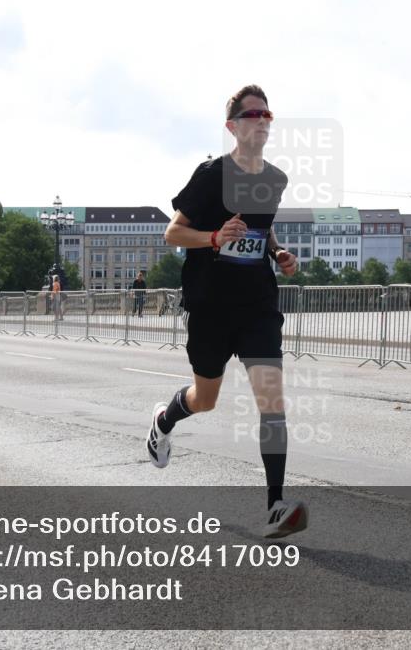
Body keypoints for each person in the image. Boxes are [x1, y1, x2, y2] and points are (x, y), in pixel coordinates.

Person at [145, 84, 305, 539]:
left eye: (267, 114)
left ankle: (275, 506)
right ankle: (164, 421)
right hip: (211, 305)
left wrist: (279, 255)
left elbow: (263, 232)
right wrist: (214, 237)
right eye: (252, 114)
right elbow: (173, 234)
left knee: (272, 405)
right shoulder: (212, 175)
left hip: (257, 305)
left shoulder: (274, 179)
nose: (261, 120)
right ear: (233, 126)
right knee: (206, 399)